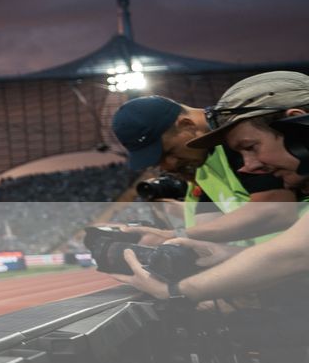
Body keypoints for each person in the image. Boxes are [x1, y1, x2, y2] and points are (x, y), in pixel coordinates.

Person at [108, 74, 309, 306]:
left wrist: (176, 289)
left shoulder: (238, 135)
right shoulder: (204, 167)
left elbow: (291, 244)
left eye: (250, 147)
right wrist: (227, 258)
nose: (249, 166)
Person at [107, 91, 303, 247]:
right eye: (158, 162)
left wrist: (173, 236)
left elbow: (276, 211)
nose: (167, 166)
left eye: (168, 152)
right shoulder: (202, 160)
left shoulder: (240, 137)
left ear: (187, 125)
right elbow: (205, 226)